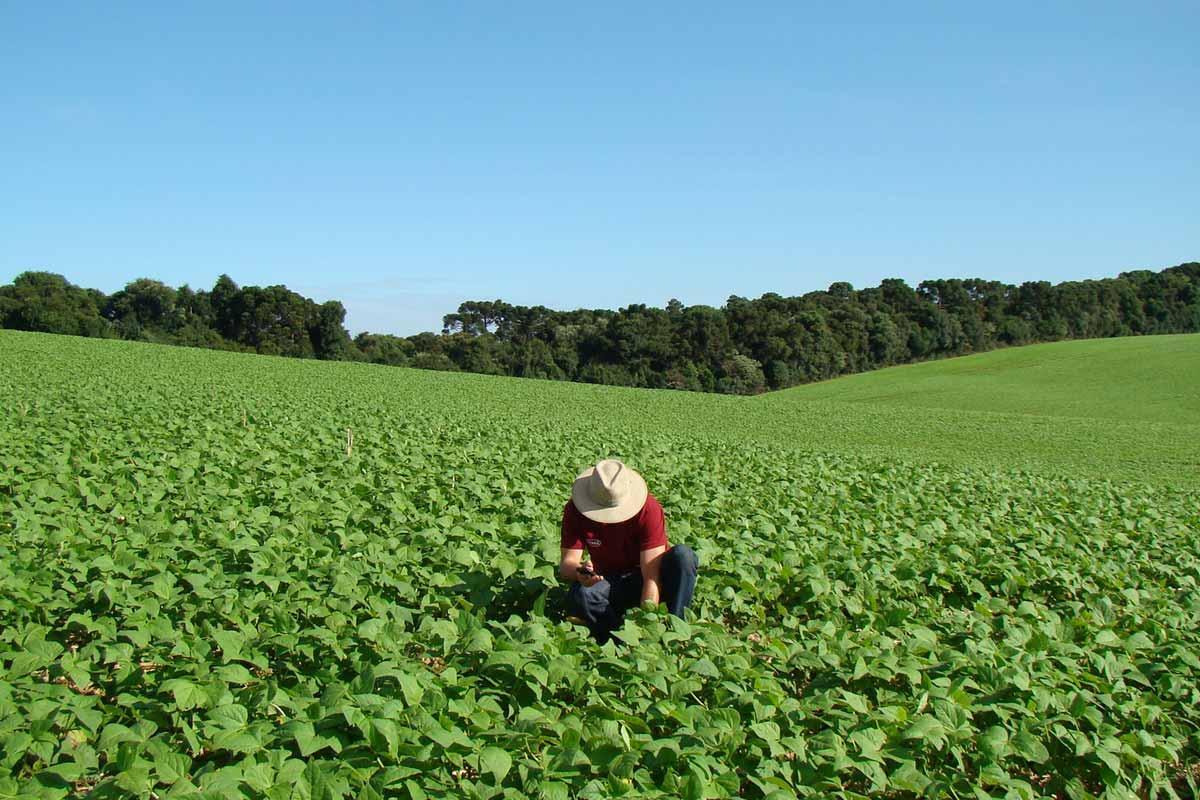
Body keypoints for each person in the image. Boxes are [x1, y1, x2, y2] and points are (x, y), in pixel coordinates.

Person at [559, 458, 699, 642]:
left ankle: (675, 632)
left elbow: (651, 577)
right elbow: (566, 565)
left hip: (648, 577)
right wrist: (581, 573)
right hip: (609, 579)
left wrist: (647, 622)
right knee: (584, 595)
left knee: (684, 556)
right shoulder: (575, 510)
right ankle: (617, 638)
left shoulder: (648, 509)